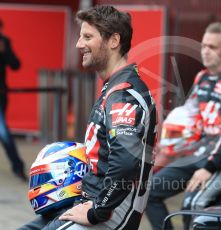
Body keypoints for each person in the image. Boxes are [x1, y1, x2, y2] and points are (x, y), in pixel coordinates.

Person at [19, 5, 157, 230]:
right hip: (88, 201)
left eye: (88, 37)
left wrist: (96, 212)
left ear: (113, 40)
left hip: (109, 215)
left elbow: (125, 164)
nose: (78, 44)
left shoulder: (123, 94)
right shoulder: (112, 88)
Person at [145, 22, 221, 230]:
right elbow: (187, 115)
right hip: (198, 153)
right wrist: (169, 148)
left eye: (212, 47)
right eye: (203, 45)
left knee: (192, 206)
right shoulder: (202, 78)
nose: (205, 51)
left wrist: (208, 168)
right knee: (149, 192)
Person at [0, 18, 27, 181]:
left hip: (0, 95)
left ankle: (18, 167)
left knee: (3, 132)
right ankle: (17, 166)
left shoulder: (4, 43)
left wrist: (5, 51)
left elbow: (16, 65)